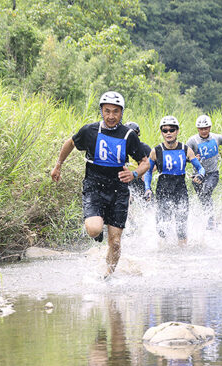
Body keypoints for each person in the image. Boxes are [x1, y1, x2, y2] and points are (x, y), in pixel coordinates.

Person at [50, 91, 150, 279]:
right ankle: (98, 228)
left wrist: (135, 173)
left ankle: (108, 275)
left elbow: (145, 161)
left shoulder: (129, 135)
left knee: (116, 242)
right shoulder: (90, 131)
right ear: (101, 112)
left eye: (116, 112)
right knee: (94, 229)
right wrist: (58, 166)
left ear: (122, 113)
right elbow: (69, 143)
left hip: (119, 190)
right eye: (107, 111)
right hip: (94, 187)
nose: (111, 116)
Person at [144, 116, 205, 246]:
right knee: (162, 223)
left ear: (177, 131)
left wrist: (200, 175)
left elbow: (200, 168)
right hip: (163, 188)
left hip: (180, 188)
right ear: (161, 132)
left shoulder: (185, 149)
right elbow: (148, 172)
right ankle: (164, 254)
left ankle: (182, 255)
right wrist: (147, 189)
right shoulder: (156, 151)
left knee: (181, 223)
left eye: (172, 130)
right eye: (165, 130)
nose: (168, 133)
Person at [186, 114, 222, 230]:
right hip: (198, 175)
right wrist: (193, 159)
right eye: (201, 129)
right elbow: (184, 158)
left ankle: (210, 222)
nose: (204, 131)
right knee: (203, 198)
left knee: (206, 191)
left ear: (210, 127)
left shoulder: (216, 138)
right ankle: (209, 218)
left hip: (212, 174)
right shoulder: (192, 141)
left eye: (206, 128)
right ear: (197, 129)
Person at [124, 122, 152, 200]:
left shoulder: (144, 148)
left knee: (147, 201)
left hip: (140, 178)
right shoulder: (121, 148)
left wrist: (146, 173)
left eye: (134, 133)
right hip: (126, 179)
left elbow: (153, 164)